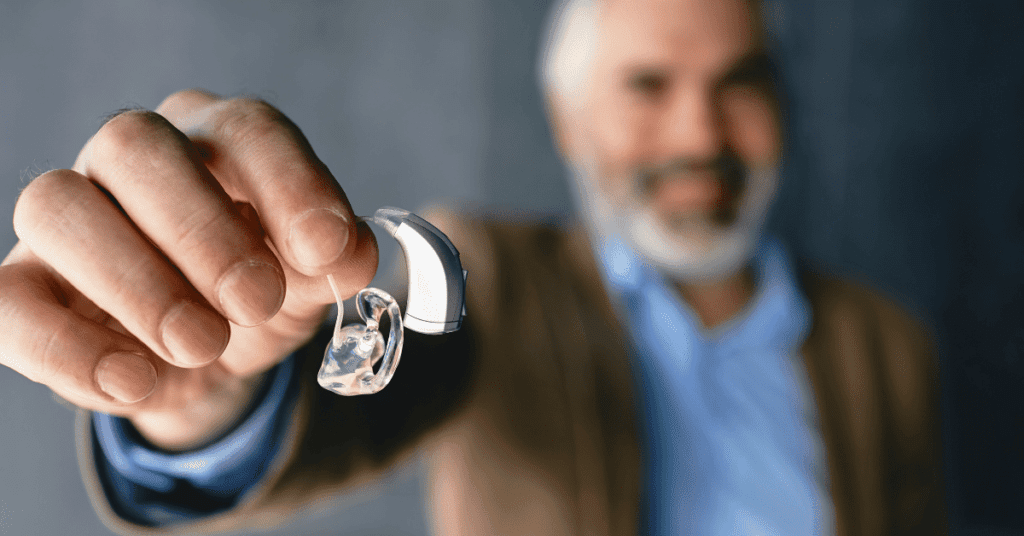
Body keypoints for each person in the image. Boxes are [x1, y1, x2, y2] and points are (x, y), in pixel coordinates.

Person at [0, 0, 946, 534]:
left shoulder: (887, 343)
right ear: (570, 122)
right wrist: (202, 411)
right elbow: (362, 397)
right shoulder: (486, 278)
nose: (700, 134)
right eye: (647, 88)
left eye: (738, 85)